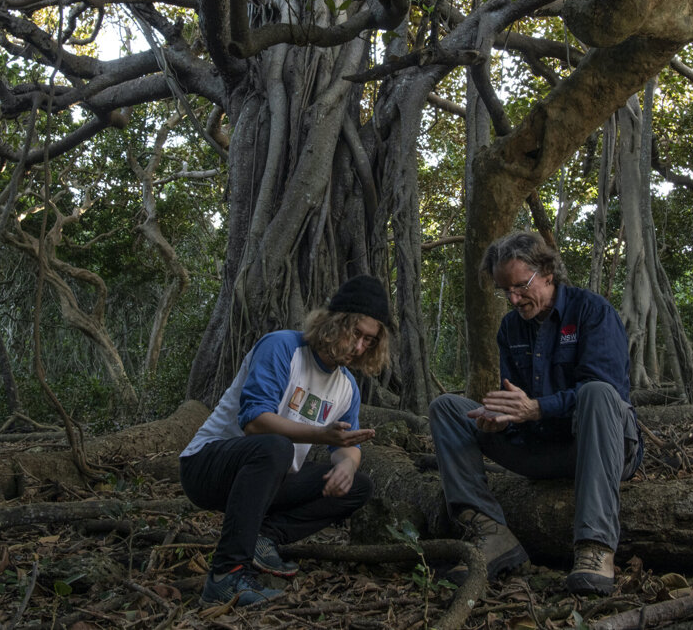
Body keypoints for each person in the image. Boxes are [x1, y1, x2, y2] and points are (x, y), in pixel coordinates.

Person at [428, 231, 642, 595]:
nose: (513, 298)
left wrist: (536, 409)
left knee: (597, 392)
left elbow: (607, 395)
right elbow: (517, 403)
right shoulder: (511, 327)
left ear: (547, 271)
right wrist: (501, 422)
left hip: (601, 450)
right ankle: (491, 534)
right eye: (504, 291)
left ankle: (595, 547)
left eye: (520, 286)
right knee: (447, 408)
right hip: (542, 452)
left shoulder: (592, 311)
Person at [179, 275, 392, 607]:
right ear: (335, 323)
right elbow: (254, 421)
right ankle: (225, 575)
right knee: (276, 446)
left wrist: (347, 466)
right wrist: (321, 434)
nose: (360, 347)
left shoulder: (347, 386)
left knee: (358, 486)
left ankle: (266, 538)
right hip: (208, 466)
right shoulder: (282, 347)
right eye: (356, 333)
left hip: (269, 479)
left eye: (369, 340)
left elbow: (347, 445)